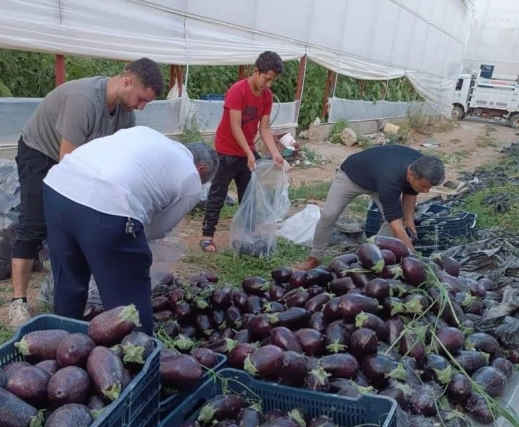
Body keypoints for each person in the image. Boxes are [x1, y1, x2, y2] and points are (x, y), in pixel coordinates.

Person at [9, 58, 164, 328]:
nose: (140, 106)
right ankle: (18, 302)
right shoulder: (84, 101)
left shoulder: (126, 114)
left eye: (145, 103)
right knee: (34, 224)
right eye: (141, 99)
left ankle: (56, 271)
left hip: (75, 157)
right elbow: (67, 165)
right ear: (127, 81)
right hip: (41, 152)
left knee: (74, 222)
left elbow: (119, 159)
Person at [41, 126, 219, 335]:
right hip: (108, 205)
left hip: (58, 187)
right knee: (128, 303)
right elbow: (159, 227)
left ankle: (63, 344)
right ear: (200, 169)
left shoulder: (149, 134)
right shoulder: (191, 179)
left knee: (69, 282)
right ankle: (137, 357)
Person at [297, 145, 445, 270]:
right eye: (424, 186)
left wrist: (410, 222)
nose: (427, 191)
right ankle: (314, 258)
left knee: (394, 221)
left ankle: (372, 256)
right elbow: (396, 225)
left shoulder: (420, 165)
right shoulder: (391, 179)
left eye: (430, 187)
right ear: (411, 174)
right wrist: (413, 257)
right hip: (352, 177)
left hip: (378, 179)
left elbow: (411, 192)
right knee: (329, 215)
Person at [199, 51, 286, 253]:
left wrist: (275, 152)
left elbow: (264, 129)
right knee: (217, 195)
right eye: (267, 79)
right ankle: (207, 235)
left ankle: (247, 235)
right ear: (256, 71)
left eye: (272, 81)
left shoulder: (267, 97)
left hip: (247, 152)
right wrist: (248, 152)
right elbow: (235, 126)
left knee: (249, 195)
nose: (268, 85)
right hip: (226, 151)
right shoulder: (237, 91)